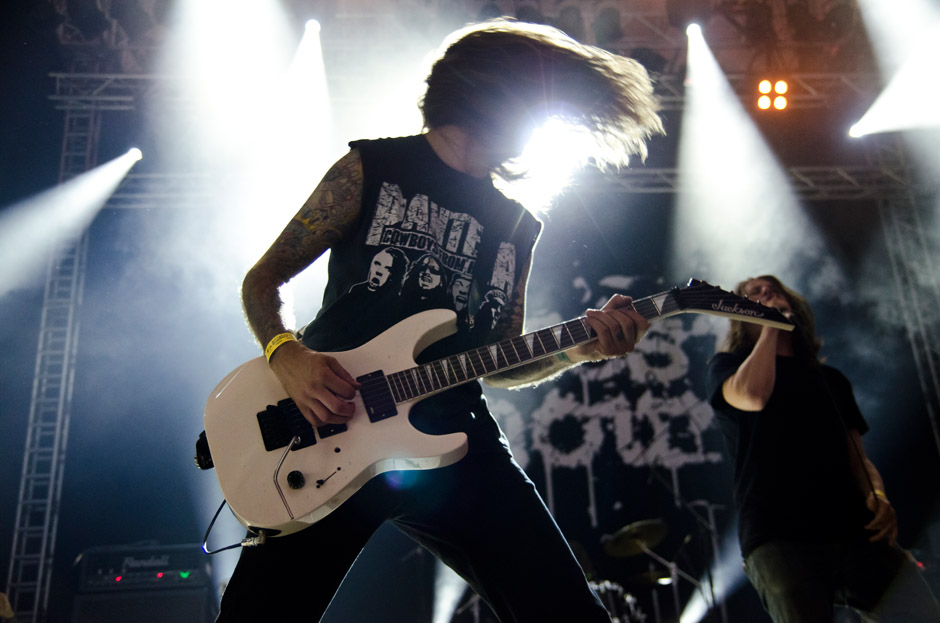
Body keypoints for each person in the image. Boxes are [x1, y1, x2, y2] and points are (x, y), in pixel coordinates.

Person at [217, 18, 664, 623]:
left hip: (457, 439)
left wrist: (582, 350)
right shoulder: (371, 169)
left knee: (566, 612)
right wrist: (286, 354)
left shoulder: (518, 225)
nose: (541, 124)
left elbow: (504, 360)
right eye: (536, 103)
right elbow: (261, 281)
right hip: (330, 425)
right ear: (491, 92)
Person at [706, 275, 940, 623]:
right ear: (742, 314)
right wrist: (771, 325)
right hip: (779, 536)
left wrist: (877, 494)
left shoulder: (831, 380)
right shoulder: (726, 368)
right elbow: (754, 396)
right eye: (754, 294)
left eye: (774, 289)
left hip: (854, 529)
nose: (767, 292)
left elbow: (857, 457)